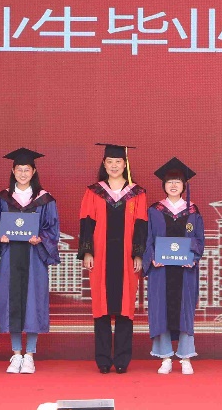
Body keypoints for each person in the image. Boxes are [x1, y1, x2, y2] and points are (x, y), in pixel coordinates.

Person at [79, 143, 149, 374]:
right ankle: (102, 359)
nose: (114, 166)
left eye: (118, 162)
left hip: (126, 257)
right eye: (110, 162)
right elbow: (86, 222)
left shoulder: (137, 193)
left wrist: (138, 254)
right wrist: (87, 251)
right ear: (104, 164)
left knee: (125, 307)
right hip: (100, 256)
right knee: (101, 306)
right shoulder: (93, 191)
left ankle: (121, 359)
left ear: (125, 164)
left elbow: (141, 225)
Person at [0, 147, 60, 374]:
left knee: (32, 302)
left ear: (34, 171)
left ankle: (29, 355)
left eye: (27, 169)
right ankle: (16, 354)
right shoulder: (1, 199)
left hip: (34, 257)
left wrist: (40, 238)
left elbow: (52, 230)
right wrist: (0, 237)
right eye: (19, 169)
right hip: (10, 256)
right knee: (12, 301)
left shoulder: (45, 200)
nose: (22, 173)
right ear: (13, 171)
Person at [143, 157, 206, 375]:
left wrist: (192, 257)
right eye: (169, 181)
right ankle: (166, 357)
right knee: (161, 310)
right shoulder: (154, 210)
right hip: (161, 271)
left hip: (185, 272)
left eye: (178, 181)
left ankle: (186, 356)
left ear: (184, 185)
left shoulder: (193, 211)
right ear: (164, 185)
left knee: (185, 311)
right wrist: (152, 257)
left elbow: (200, 240)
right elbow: (147, 238)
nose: (173, 185)